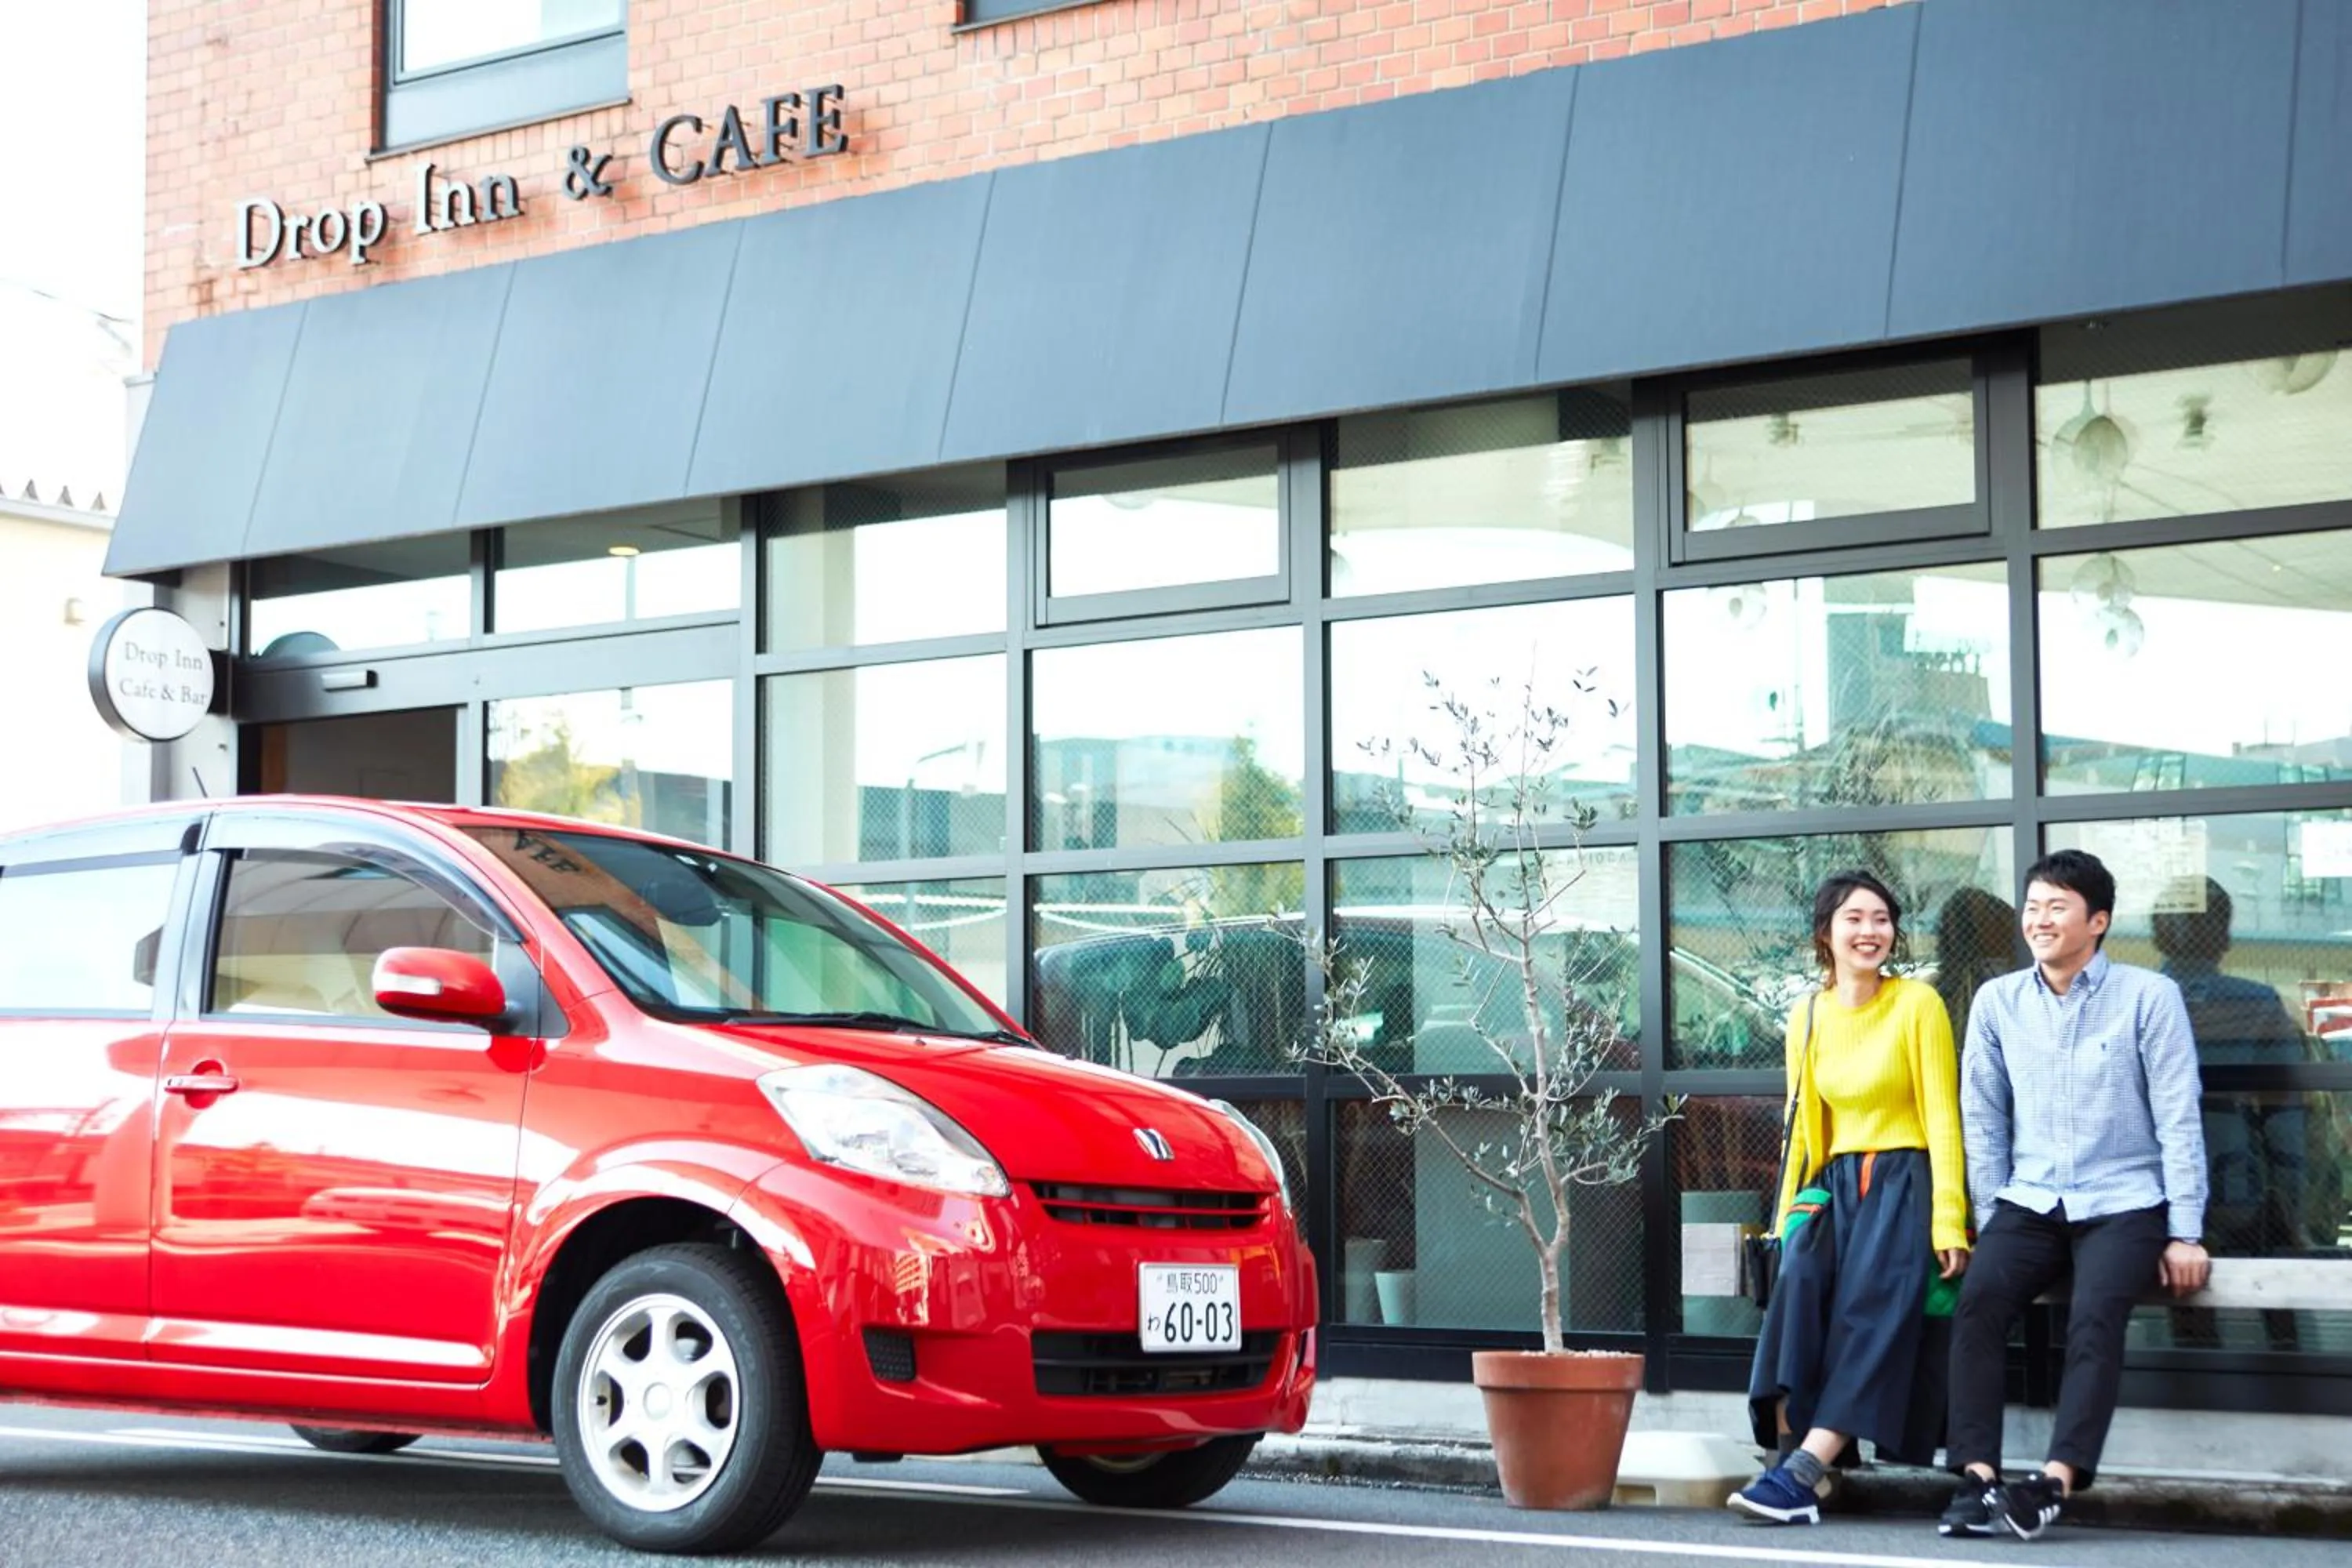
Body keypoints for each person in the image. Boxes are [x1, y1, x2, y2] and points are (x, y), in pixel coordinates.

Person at [1940, 850, 2209, 1542]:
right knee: (1976, 1308)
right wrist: (1993, 1211)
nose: (2039, 919)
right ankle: (1977, 1478)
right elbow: (1983, 1115)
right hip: (2029, 1202)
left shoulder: (2150, 998)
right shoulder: (1998, 1001)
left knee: (2095, 1317)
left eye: (2056, 907)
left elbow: (2179, 1115)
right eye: (2032, 907)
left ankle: (2056, 1482)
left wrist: (2186, 1230)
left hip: (2124, 1201)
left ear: (2098, 921)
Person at [1730, 869, 1969, 1526]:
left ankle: (1804, 1474)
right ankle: (1792, 1461)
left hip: (1906, 1180)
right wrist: (1785, 1222)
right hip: (1835, 1184)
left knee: (1872, 1311)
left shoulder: (1918, 1004)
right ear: (1825, 934)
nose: (1870, 932)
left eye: (1882, 919)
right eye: (1855, 919)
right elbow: (1802, 1126)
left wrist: (1950, 1220)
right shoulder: (1807, 1014)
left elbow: (1943, 1117)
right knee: (1797, 1290)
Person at [2151, 877, 2308, 1350]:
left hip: (2162, 1178)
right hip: (2242, 1173)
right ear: (2226, 936)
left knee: (2187, 1305)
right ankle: (2290, 1381)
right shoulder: (2254, 1002)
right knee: (2278, 1307)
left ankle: (2197, 1383)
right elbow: (2284, 1109)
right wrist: (2292, 1190)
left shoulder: (2137, 997)